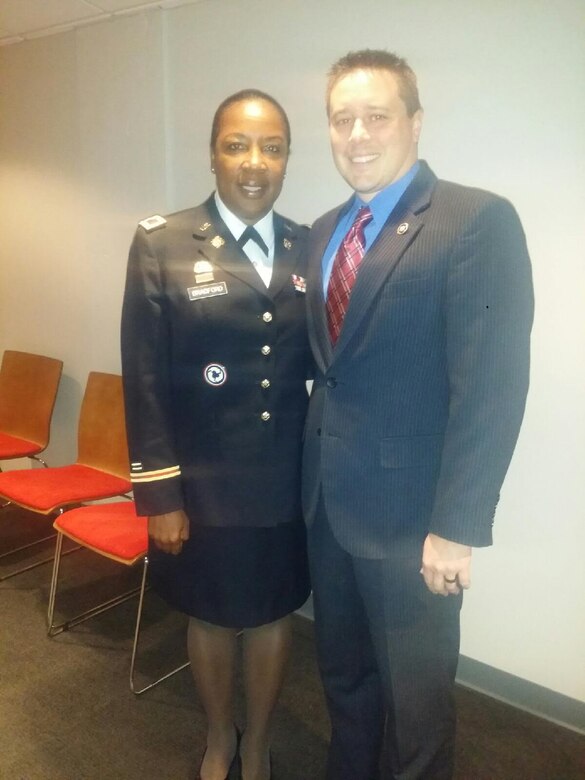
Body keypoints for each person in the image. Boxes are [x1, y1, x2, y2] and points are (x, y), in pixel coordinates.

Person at [302, 49, 534, 780]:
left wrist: (457, 528)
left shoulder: (476, 220)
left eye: (376, 116)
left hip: (413, 524)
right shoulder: (321, 230)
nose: (358, 134)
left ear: (415, 122)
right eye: (343, 119)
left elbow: (492, 385)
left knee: (416, 705)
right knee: (343, 682)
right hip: (327, 508)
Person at [121, 89, 311, 780]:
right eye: (237, 145)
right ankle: (216, 738)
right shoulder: (163, 241)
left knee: (269, 614)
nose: (254, 162)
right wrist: (159, 492)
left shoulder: (307, 245)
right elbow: (142, 377)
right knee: (207, 615)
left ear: (287, 157)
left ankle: (256, 743)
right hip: (199, 486)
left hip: (283, 481)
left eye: (271, 146)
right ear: (213, 154)